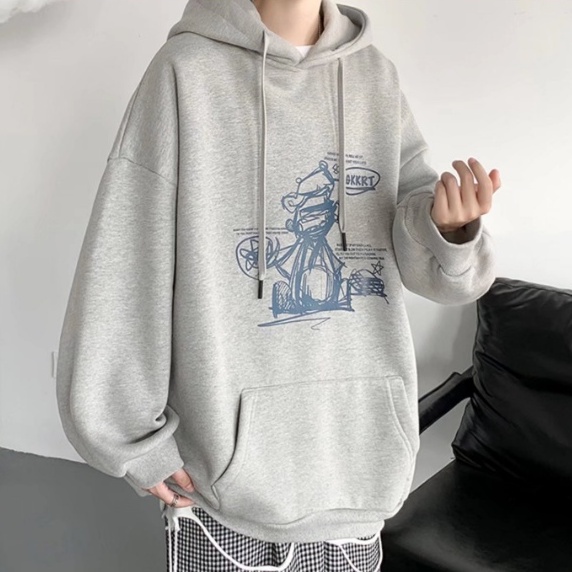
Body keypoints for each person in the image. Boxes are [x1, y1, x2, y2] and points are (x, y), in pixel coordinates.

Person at [55, 0, 501, 570]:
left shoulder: (374, 77)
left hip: (355, 471)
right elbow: (128, 255)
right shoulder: (185, 72)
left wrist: (449, 229)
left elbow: (420, 251)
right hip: (221, 500)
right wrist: (130, 438)